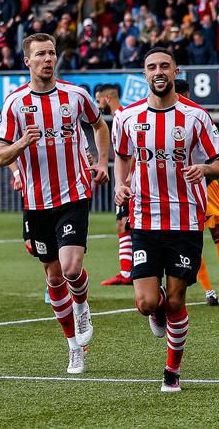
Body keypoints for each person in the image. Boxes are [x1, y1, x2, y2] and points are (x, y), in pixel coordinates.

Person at [0, 33, 111, 374]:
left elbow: (99, 126)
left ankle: (83, 305)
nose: (48, 59)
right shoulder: (15, 103)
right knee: (53, 275)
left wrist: (102, 163)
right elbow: (0, 155)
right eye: (41, 54)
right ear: (27, 61)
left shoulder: (75, 95)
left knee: (72, 268)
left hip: (74, 193)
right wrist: (21, 143)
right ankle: (74, 347)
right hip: (36, 201)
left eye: (52, 53)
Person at [113, 47, 219, 393]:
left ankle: (172, 370)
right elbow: (120, 155)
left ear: (175, 71)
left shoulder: (196, 116)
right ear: (144, 74)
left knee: (177, 301)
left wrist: (204, 169)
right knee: (147, 302)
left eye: (164, 65)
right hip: (144, 219)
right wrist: (120, 183)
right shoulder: (127, 117)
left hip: (186, 222)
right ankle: (155, 309)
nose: (158, 71)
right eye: (151, 67)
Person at [173, 79, 219, 307]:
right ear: (187, 92)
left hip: (180, 184)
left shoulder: (164, 116)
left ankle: (209, 292)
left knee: (193, 238)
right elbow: (216, 155)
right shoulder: (198, 115)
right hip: (205, 181)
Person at [95, 83, 133, 287]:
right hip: (126, 181)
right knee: (122, 223)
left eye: (98, 99)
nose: (97, 103)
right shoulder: (122, 116)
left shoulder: (122, 117)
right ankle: (127, 271)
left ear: (108, 98)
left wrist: (128, 177)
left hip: (129, 182)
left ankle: (130, 272)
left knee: (127, 222)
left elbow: (133, 149)